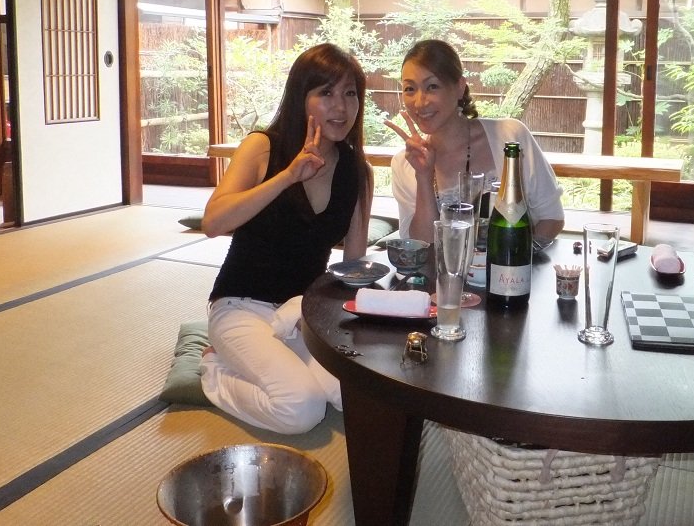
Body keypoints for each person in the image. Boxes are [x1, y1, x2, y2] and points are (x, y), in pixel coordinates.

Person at [199, 43, 373, 434]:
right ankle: (213, 369)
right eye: (326, 92)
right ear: (300, 97)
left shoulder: (357, 171)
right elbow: (213, 222)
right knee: (302, 409)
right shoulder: (263, 147)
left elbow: (354, 266)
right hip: (241, 306)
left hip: (300, 314)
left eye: (350, 93)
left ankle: (268, 362)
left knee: (353, 394)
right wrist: (288, 177)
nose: (341, 107)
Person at [384, 39, 564, 245]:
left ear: (459, 87)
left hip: (515, 265)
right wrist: (423, 177)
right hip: (444, 268)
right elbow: (422, 246)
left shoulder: (510, 136)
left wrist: (513, 259)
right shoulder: (405, 164)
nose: (419, 102)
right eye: (409, 89)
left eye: (432, 86)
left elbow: (552, 218)